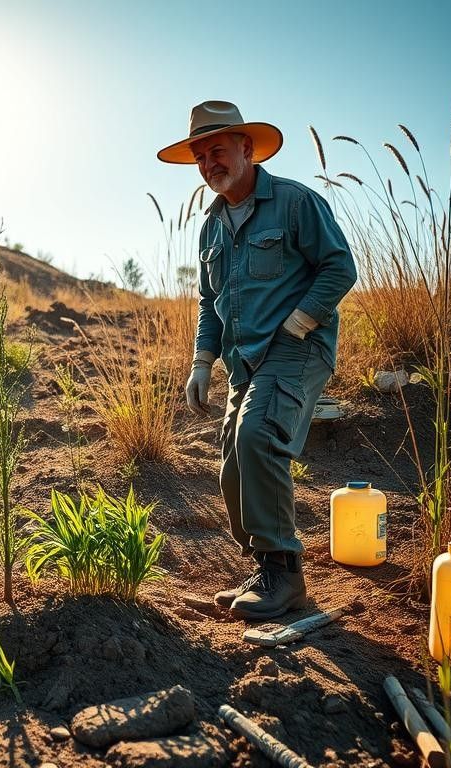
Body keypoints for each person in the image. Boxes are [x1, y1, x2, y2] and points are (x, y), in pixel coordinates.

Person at [157, 101, 357, 621]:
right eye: (200, 157)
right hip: (242, 360)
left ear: (246, 148)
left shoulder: (294, 203)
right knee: (232, 463)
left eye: (217, 151)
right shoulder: (213, 227)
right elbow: (210, 301)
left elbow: (339, 267)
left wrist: (299, 321)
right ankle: (264, 567)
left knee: (258, 438)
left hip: (297, 348)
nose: (208, 165)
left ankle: (285, 575)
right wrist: (202, 361)